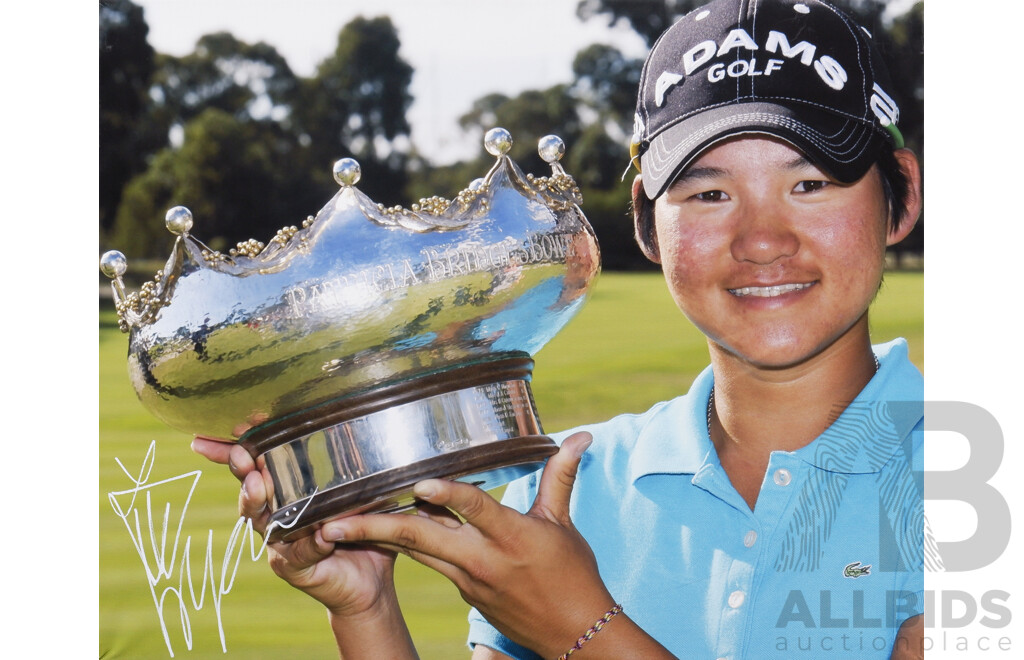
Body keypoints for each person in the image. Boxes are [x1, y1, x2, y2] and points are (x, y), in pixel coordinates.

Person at [194, 0, 924, 657]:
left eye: (810, 184)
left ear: (902, 194)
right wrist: (367, 608)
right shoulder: (571, 496)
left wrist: (580, 627)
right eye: (708, 192)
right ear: (646, 220)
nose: (762, 240)